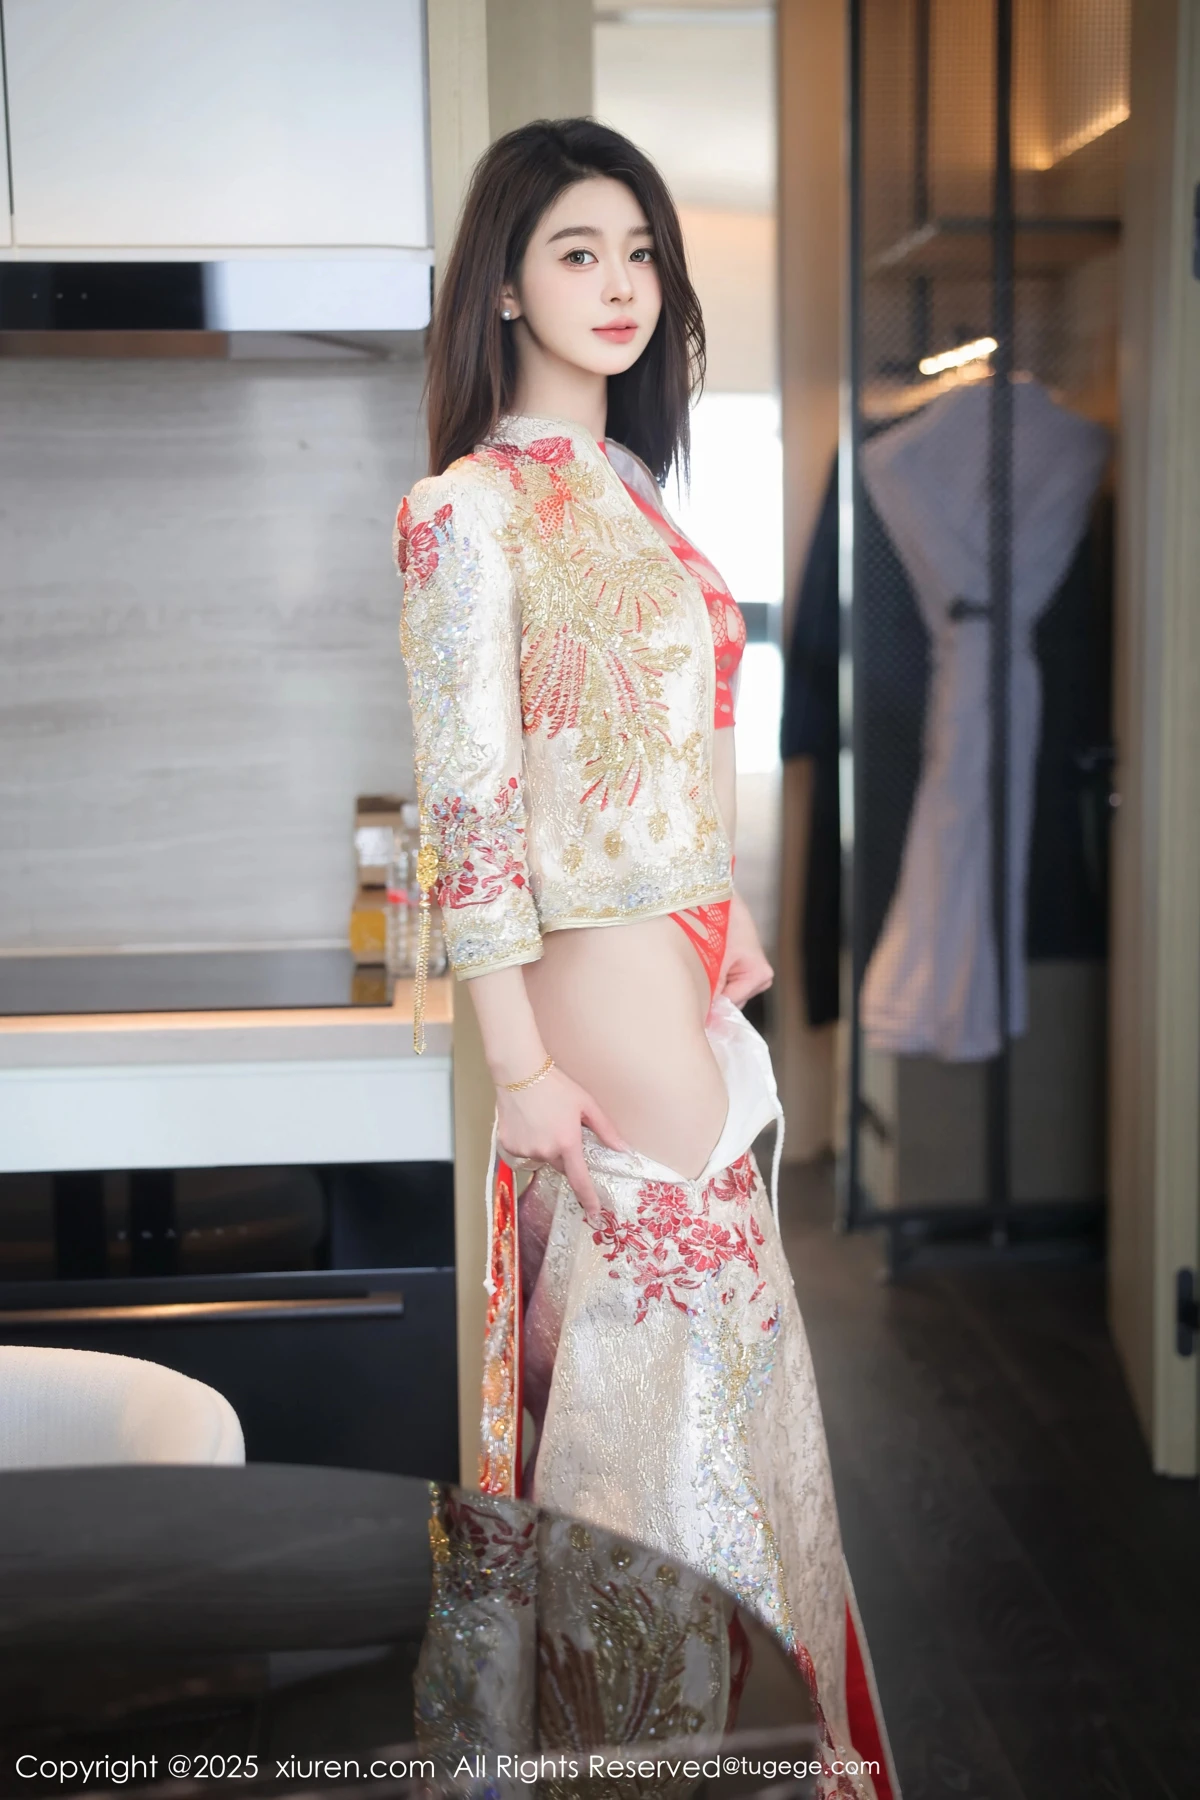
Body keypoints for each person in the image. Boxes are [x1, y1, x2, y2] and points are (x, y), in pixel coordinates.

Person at [395, 119, 899, 1800]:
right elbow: (469, 815)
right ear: (505, 285)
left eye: (639, 253)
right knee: (669, 1475)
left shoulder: (629, 492)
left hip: (675, 1011)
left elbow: (660, 744)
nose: (620, 286)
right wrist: (523, 1071)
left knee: (731, 1440)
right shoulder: (465, 512)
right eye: (576, 253)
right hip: (594, 1044)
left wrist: (721, 901)